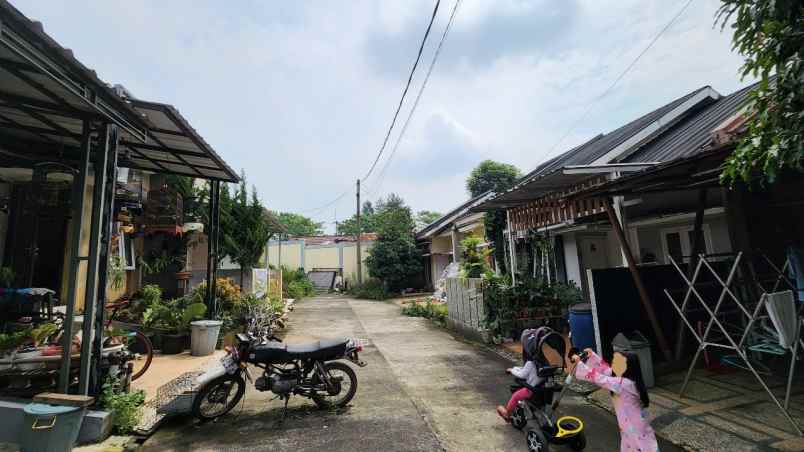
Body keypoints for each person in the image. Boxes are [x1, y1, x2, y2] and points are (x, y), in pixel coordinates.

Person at [570, 349, 658, 452]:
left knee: (641, 447)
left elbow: (600, 378)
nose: (613, 363)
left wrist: (580, 363)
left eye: (617, 362)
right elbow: (605, 370)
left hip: (634, 427)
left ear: (626, 368)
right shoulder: (625, 378)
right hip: (630, 425)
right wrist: (592, 356)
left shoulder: (624, 384)